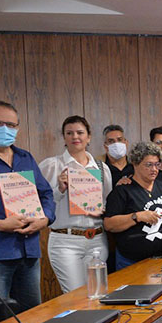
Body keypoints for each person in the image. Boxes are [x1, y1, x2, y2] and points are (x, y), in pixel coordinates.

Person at [0, 101, 55, 312]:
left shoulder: (25, 157)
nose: (5, 129)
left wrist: (44, 219)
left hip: (28, 252)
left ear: (17, 128)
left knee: (32, 316)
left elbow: (46, 193)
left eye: (10, 125)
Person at [39, 115, 113, 293]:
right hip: (66, 241)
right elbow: (39, 204)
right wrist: (59, 189)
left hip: (97, 240)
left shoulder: (101, 168)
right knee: (75, 295)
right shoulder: (51, 166)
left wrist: (101, 209)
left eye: (80, 132)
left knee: (97, 293)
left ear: (89, 137)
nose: (75, 137)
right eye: (69, 133)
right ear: (64, 137)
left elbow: (108, 201)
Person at [103, 142, 162, 270]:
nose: (154, 169)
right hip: (134, 263)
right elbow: (109, 224)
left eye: (157, 164)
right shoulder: (123, 191)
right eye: (148, 165)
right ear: (135, 164)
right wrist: (136, 216)